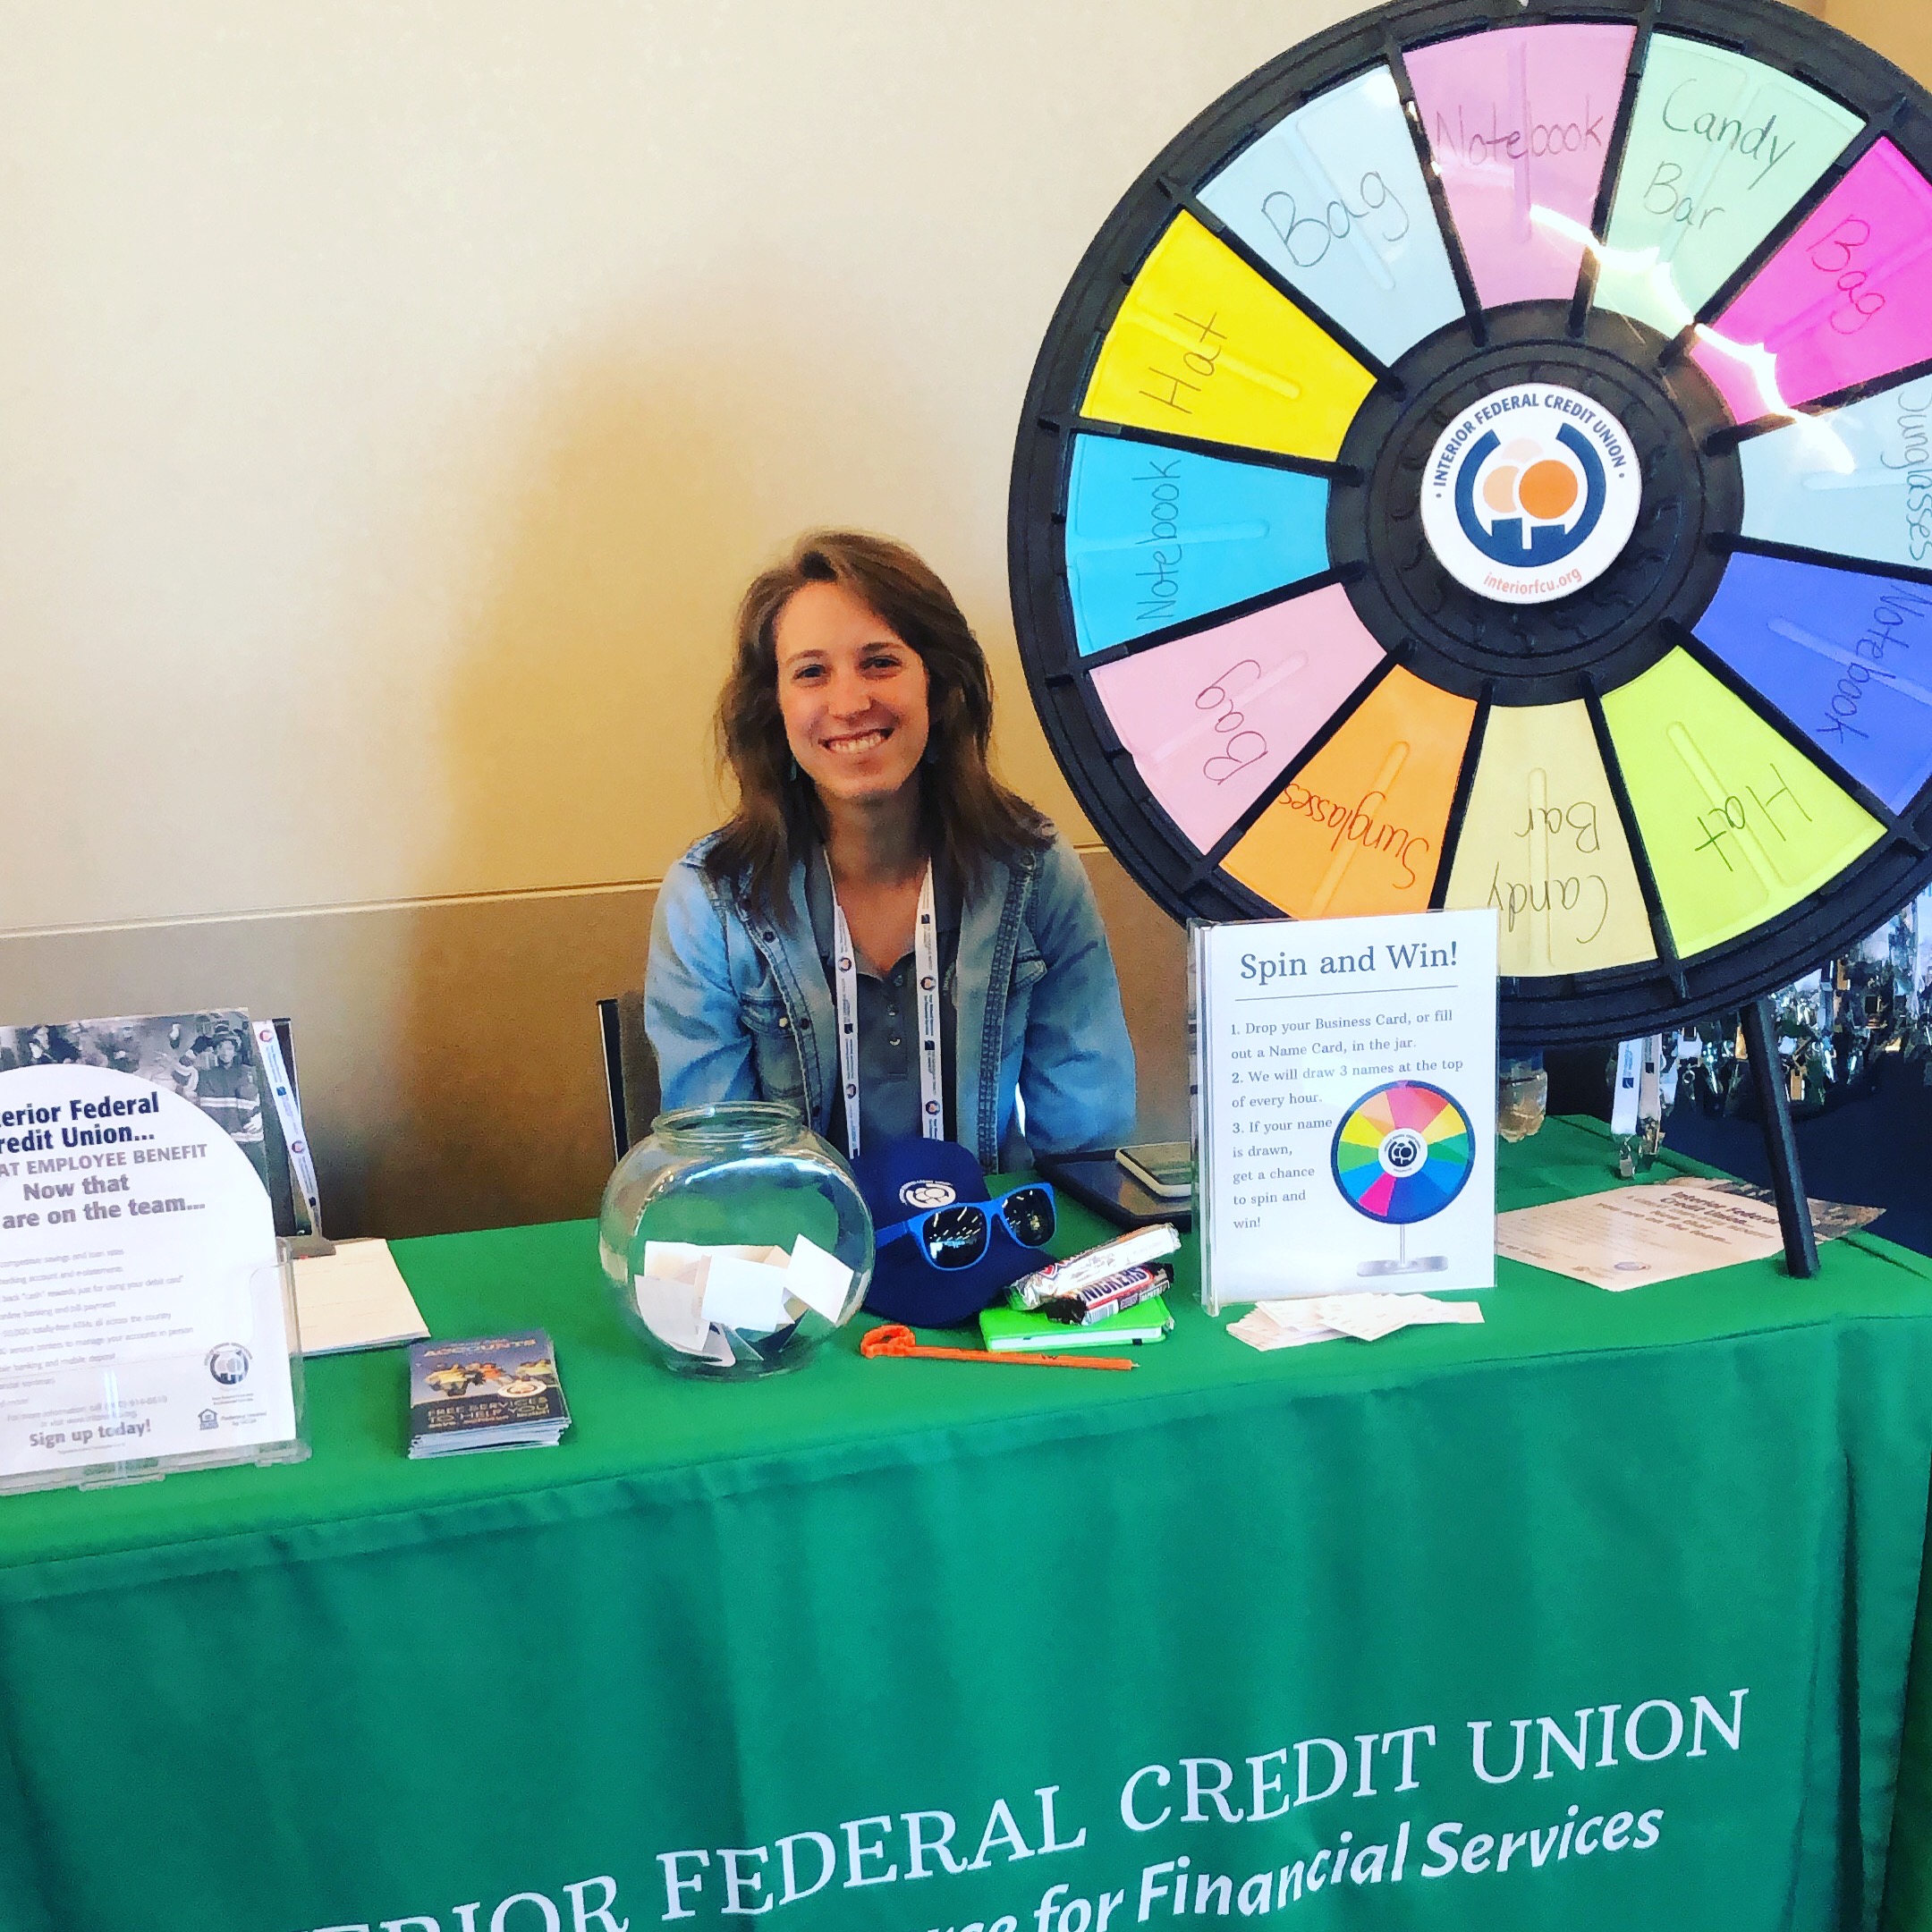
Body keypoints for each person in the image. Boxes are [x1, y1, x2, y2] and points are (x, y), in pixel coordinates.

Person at [647, 530, 1135, 1171]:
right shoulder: (707, 905)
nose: (850, 703)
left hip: (993, 1253)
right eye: (812, 672)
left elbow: (1087, 1147)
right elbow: (721, 1177)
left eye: (880, 662)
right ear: (776, 707)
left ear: (938, 683)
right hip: (803, 1257)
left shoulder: (1035, 873)